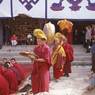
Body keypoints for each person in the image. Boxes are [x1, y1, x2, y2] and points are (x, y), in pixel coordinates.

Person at [31, 29, 51, 95]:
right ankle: (36, 92)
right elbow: (34, 56)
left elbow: (46, 59)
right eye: (37, 40)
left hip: (43, 67)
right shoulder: (36, 48)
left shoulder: (46, 48)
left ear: (44, 41)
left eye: (39, 41)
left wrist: (36, 60)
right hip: (36, 66)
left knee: (43, 81)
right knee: (35, 79)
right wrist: (30, 57)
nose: (38, 42)